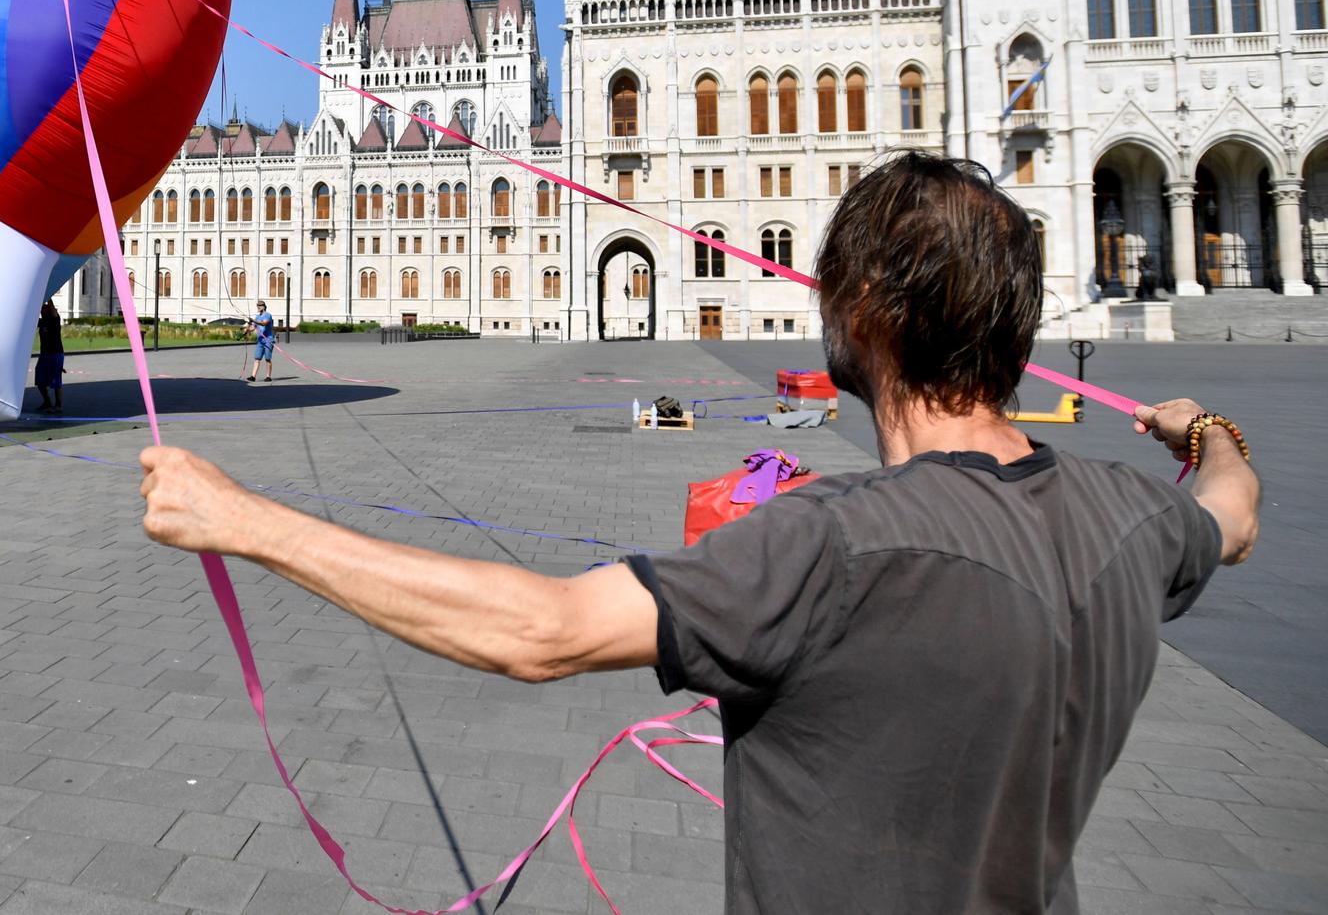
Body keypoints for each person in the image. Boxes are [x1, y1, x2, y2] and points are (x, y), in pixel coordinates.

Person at [135, 152, 1260, 913]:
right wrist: (1198, 426)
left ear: (859, 319)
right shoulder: (1129, 518)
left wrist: (237, 518)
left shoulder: (836, 549)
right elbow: (1234, 510)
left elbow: (542, 629)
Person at [34, 299, 64, 413]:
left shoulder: (54, 320)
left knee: (56, 380)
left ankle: (58, 405)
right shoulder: (42, 322)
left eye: (44, 308)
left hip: (56, 354)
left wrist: (48, 295)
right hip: (44, 354)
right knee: (40, 380)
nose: (41, 310)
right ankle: (47, 402)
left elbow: (51, 307)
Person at [244, 299, 276, 382]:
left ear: (264, 307)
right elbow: (253, 327)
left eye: (260, 305)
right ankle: (253, 376)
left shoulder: (268, 315)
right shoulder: (257, 317)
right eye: (257, 305)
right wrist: (248, 329)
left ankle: (268, 376)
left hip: (268, 340)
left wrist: (254, 321)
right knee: (257, 358)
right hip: (260, 340)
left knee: (267, 359)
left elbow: (264, 323)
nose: (258, 307)